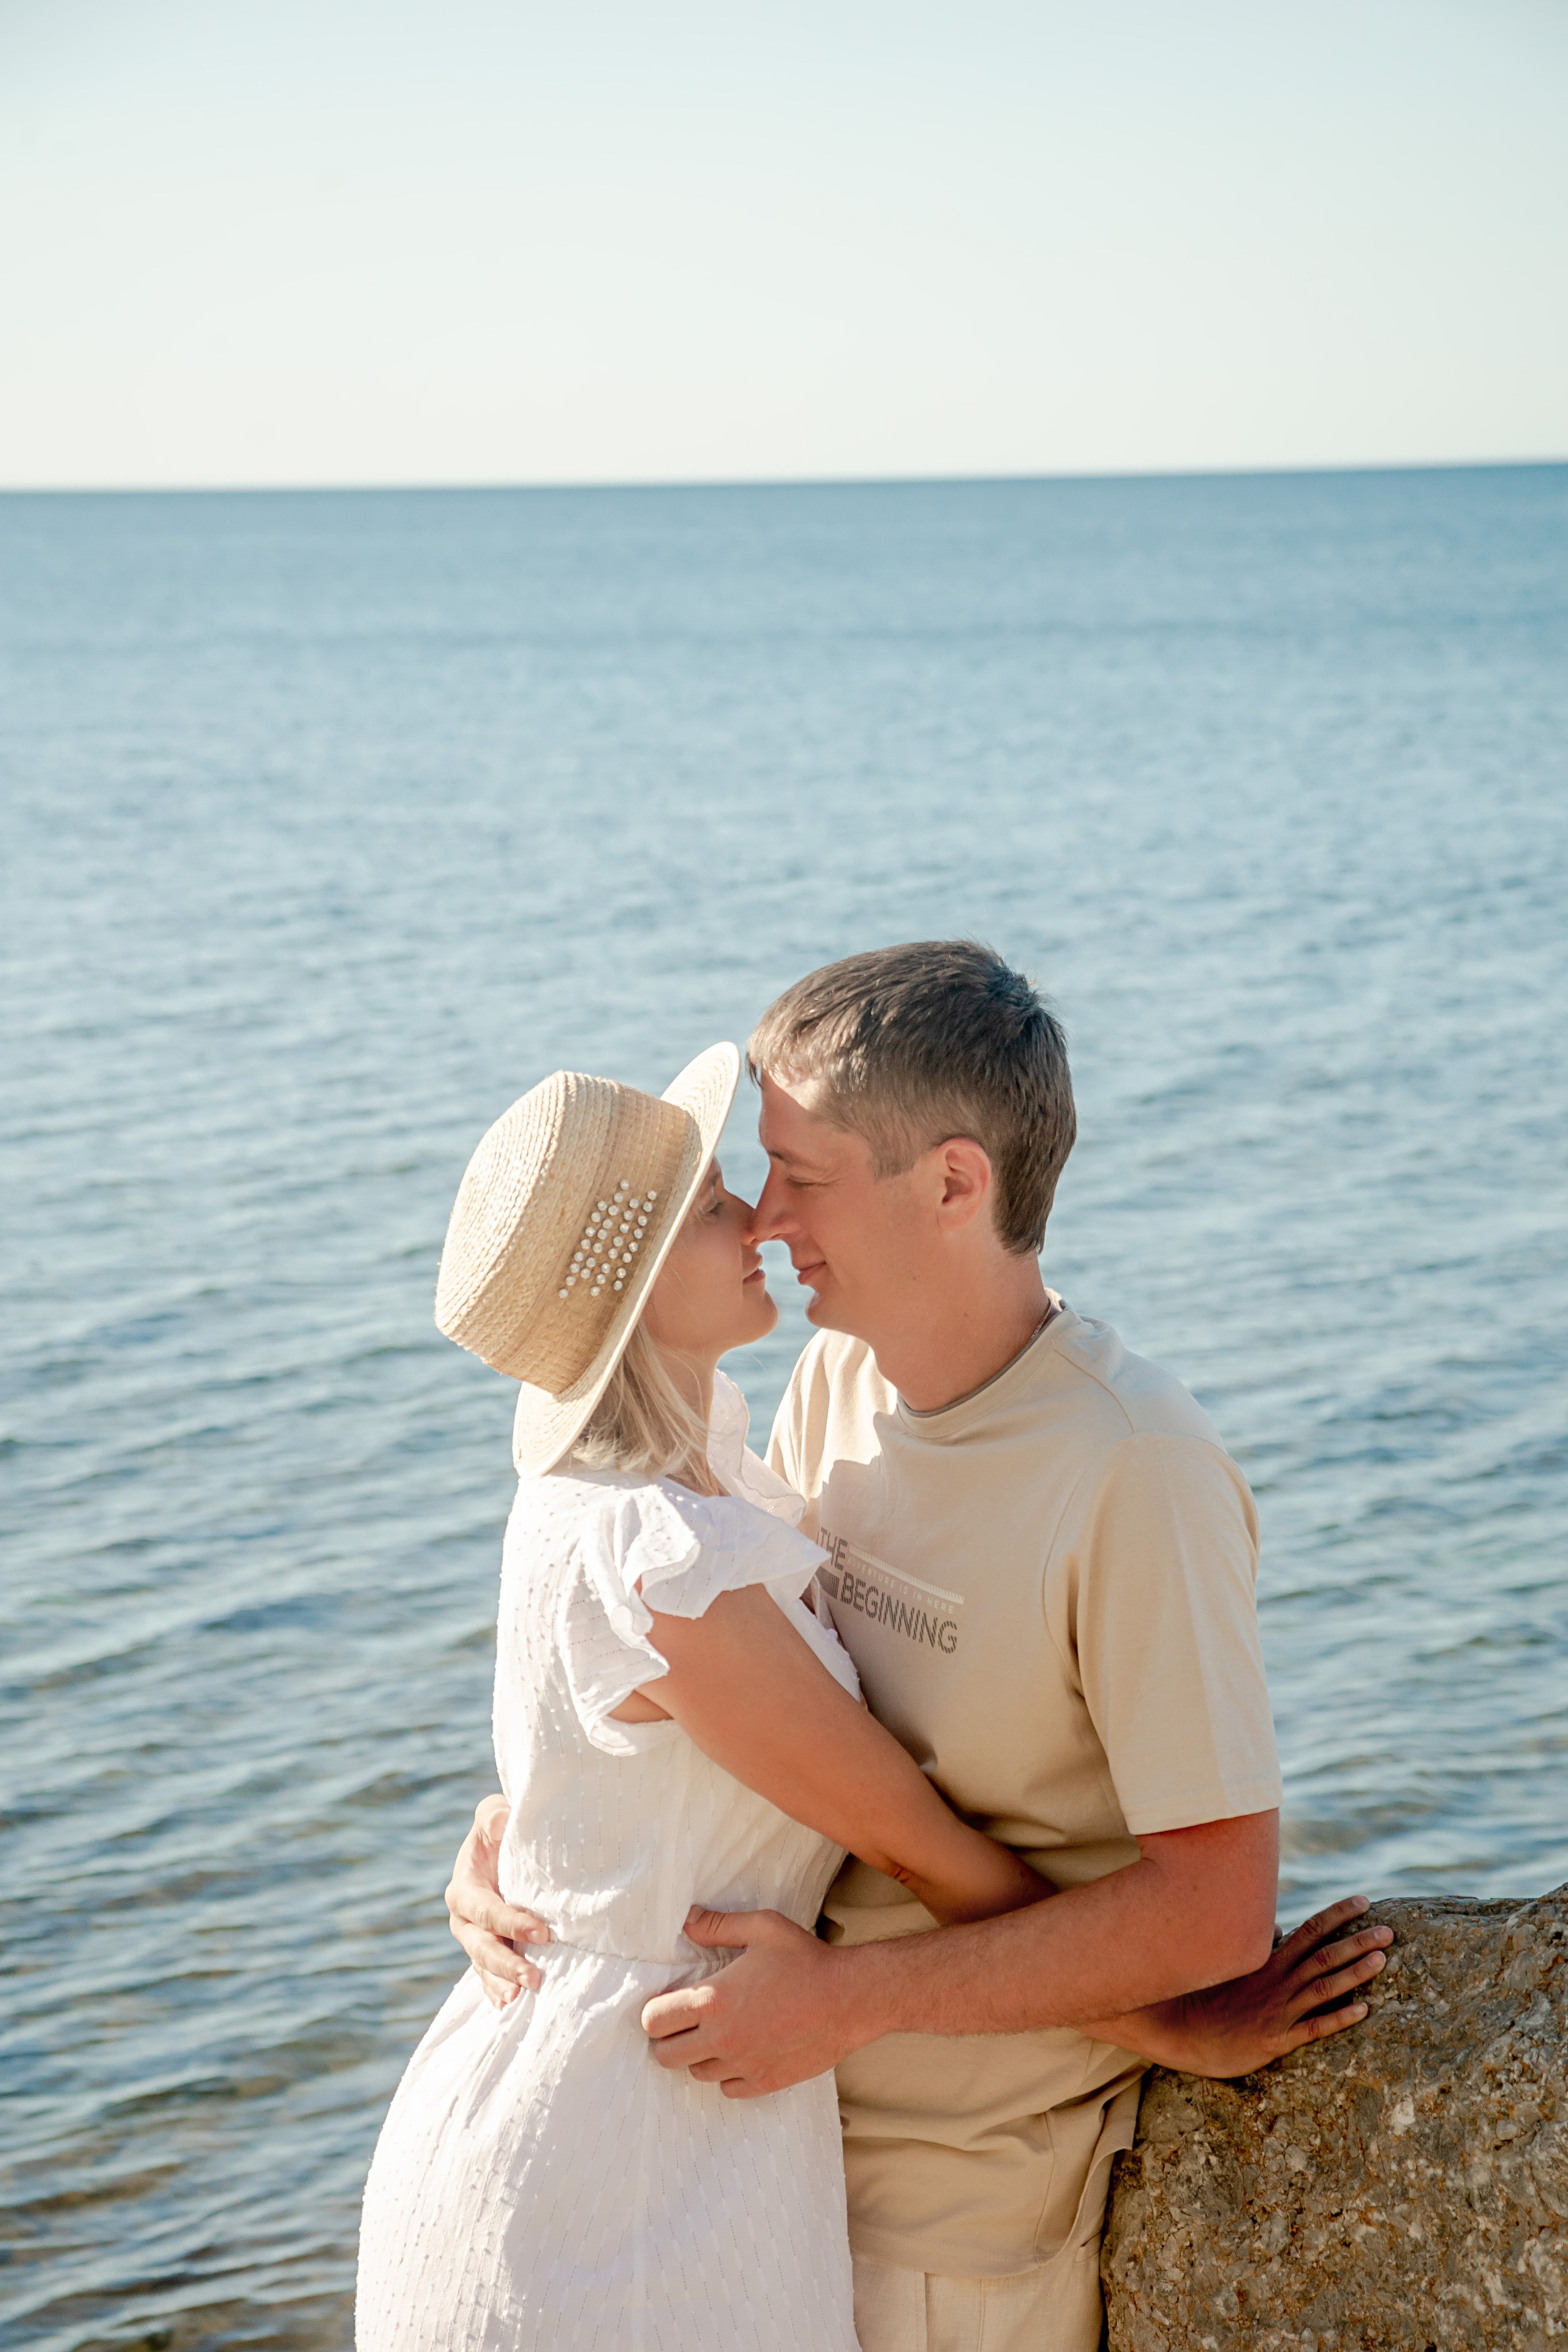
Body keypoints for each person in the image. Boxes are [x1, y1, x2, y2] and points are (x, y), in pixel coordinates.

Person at [447, 944, 1392, 2352]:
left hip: (948, 2216)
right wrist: (530, 1843)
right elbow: (743, 1713)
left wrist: (852, 2001)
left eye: (797, 1175)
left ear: (953, 1184)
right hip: (732, 2153)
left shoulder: (1132, 1472)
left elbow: (1208, 1914)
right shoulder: (832, 1382)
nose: (765, 1217)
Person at [360, 1041, 1101, 2351]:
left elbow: (599, 1773)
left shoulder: (696, 1484)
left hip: (655, 2105)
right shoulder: (658, 1553)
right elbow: (914, 1846)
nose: (759, 1217)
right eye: (712, 1206)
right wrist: (1183, 2019)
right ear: (635, 1285)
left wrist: (510, 1834)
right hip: (604, 2156)